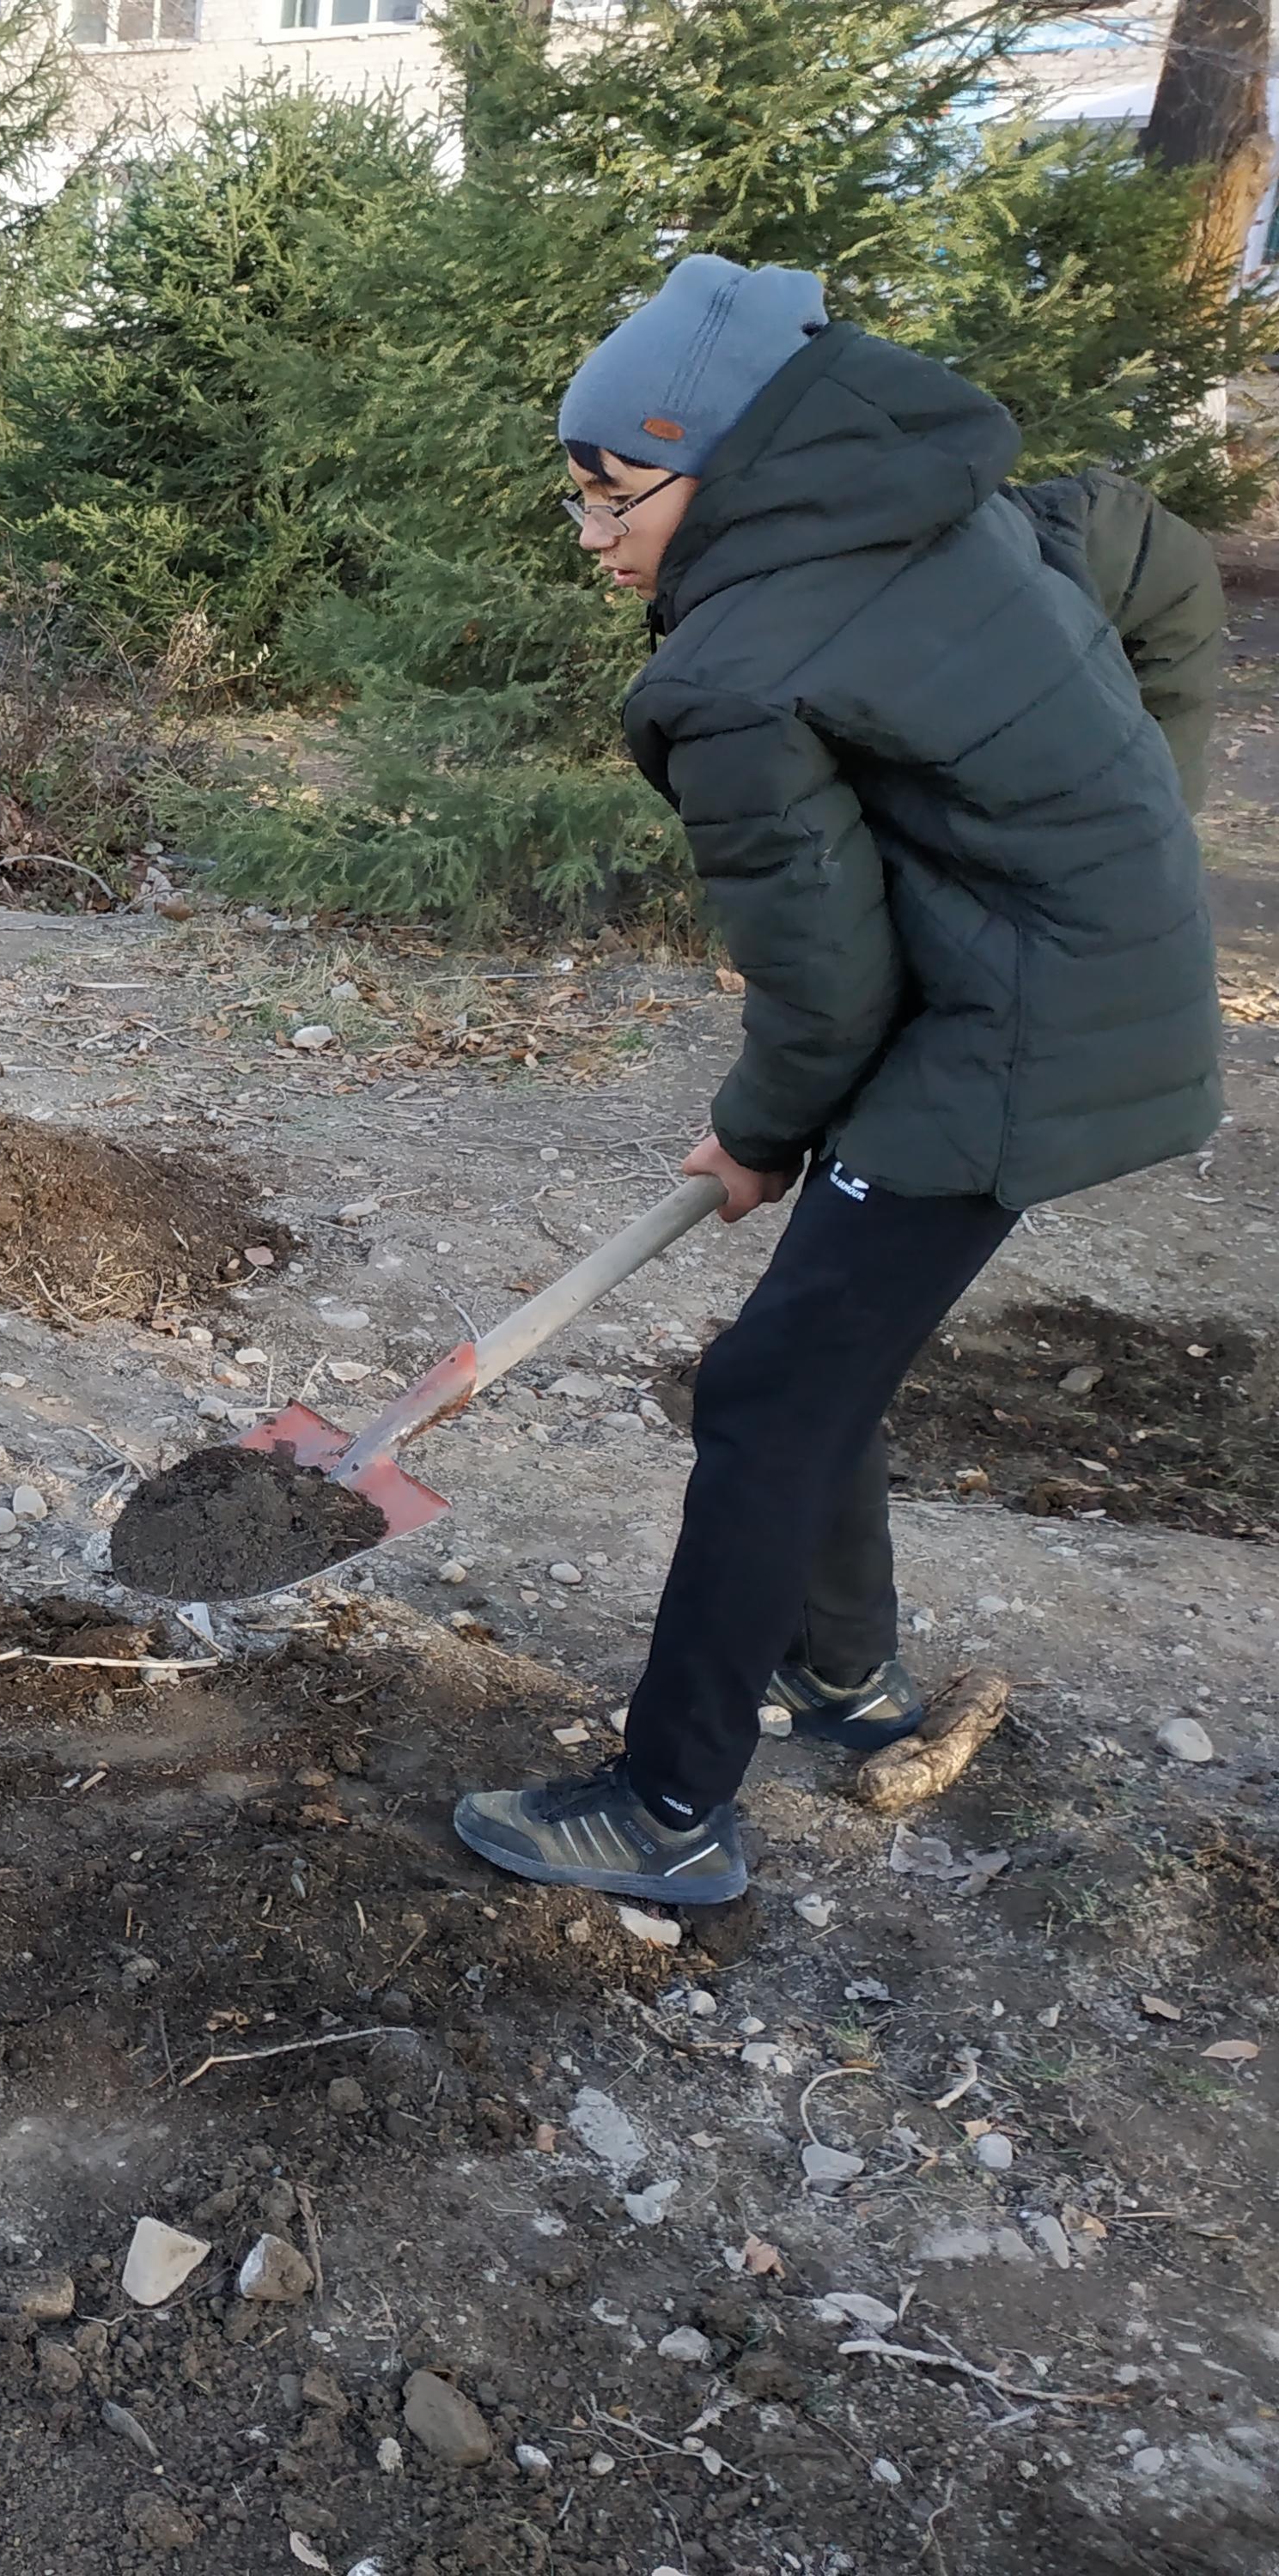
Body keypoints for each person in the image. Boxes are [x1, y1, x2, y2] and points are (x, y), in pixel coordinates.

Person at [452, 255, 1225, 1905]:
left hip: (1007, 1045)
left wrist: (754, 1135)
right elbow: (1151, 545)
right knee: (807, 1360)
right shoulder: (944, 512)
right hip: (1050, 993)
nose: (591, 535)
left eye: (611, 495)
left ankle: (667, 1812)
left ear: (718, 461)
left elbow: (824, 981)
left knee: (766, 1401)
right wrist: (1140, 815)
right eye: (574, 497)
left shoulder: (733, 671)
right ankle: (848, 1678)